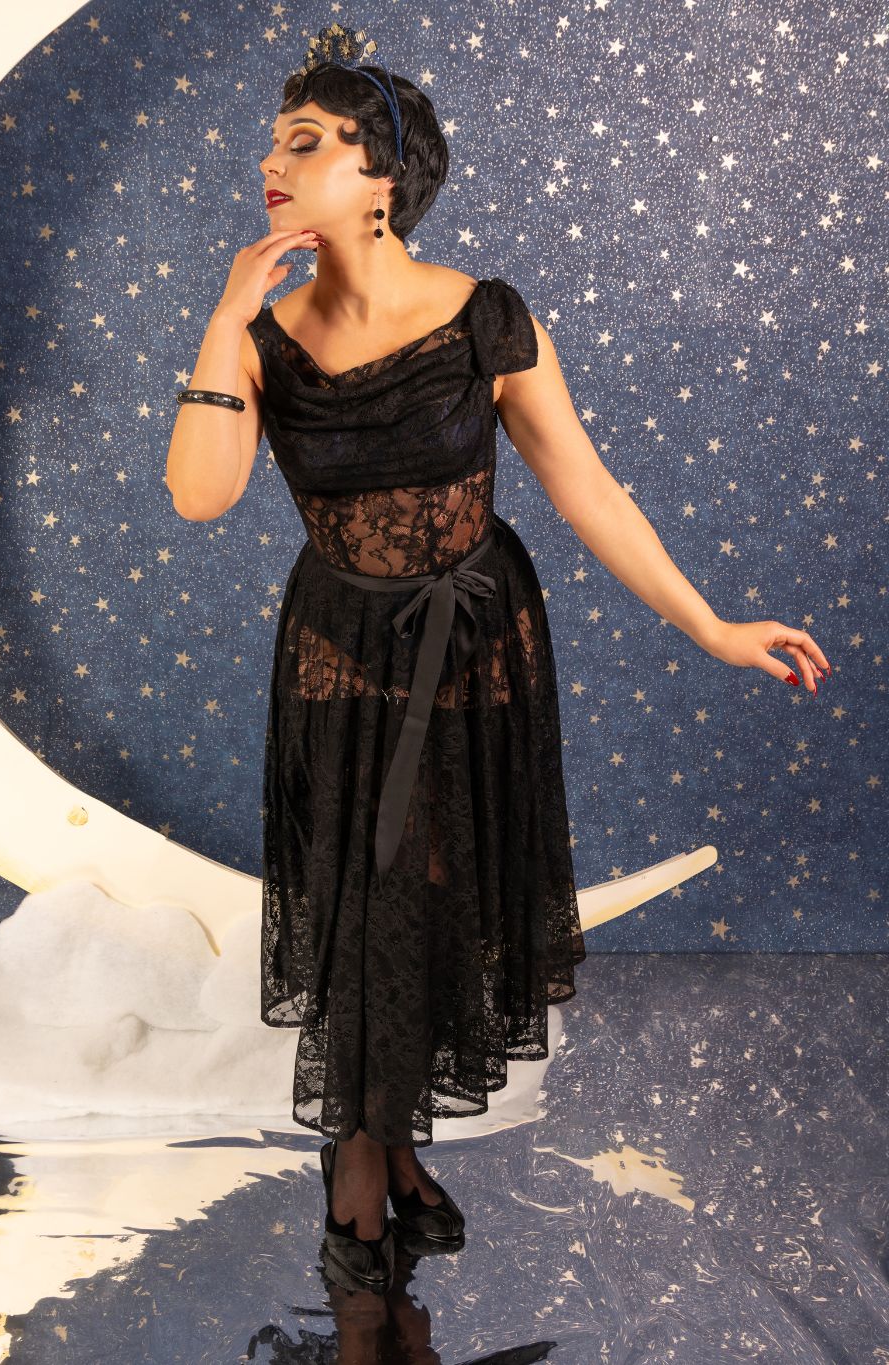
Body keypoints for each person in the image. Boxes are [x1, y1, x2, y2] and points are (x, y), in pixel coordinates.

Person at [165, 29, 830, 1294]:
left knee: (436, 895)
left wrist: (709, 625)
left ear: (380, 179)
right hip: (338, 650)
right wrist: (222, 321)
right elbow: (200, 498)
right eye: (272, 142)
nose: (270, 162)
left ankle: (389, 1144)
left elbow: (585, 489)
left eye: (304, 143)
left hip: (479, 645)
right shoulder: (263, 338)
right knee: (358, 898)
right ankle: (359, 1161)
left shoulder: (486, 317)